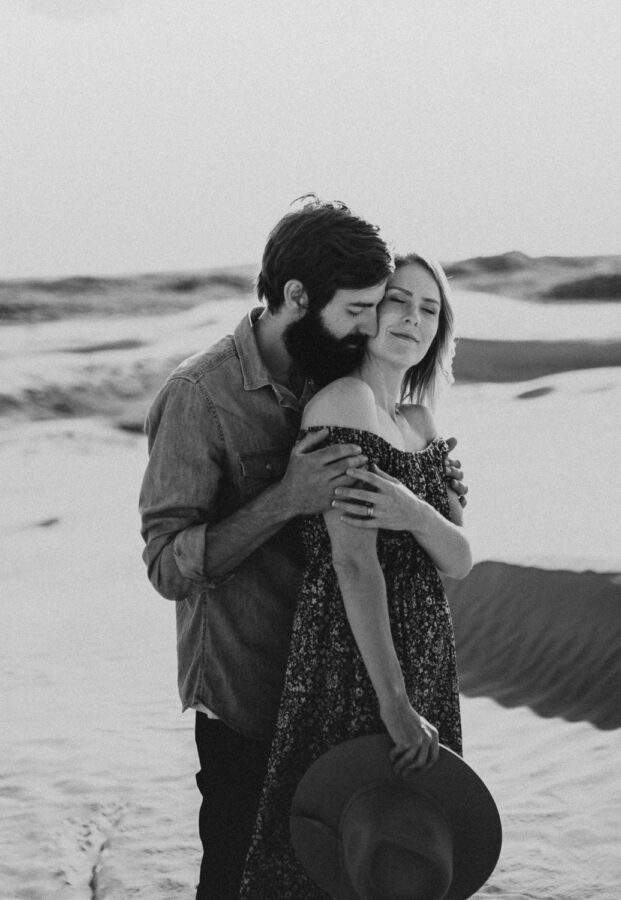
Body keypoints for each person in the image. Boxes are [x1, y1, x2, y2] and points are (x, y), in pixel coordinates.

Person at [139, 199, 467, 899]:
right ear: (296, 297)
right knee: (240, 872)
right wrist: (286, 497)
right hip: (248, 679)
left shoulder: (331, 370)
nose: (371, 326)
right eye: (359, 310)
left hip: (337, 674)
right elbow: (168, 564)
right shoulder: (201, 396)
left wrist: (425, 487)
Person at [239, 252, 470, 898]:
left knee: (408, 847)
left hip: (425, 656)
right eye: (398, 300)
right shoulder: (343, 403)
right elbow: (352, 563)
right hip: (355, 662)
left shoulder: (419, 421)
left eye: (429, 308)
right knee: (343, 850)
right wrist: (393, 705)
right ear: (367, 312)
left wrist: (414, 510)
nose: (412, 318)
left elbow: (459, 558)